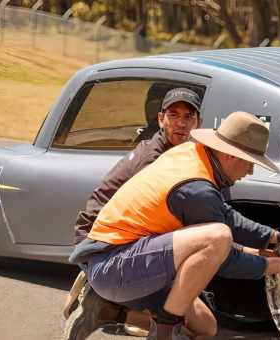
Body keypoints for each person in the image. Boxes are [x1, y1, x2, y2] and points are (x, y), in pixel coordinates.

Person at [70, 111, 280, 340]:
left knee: (206, 327)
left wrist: (275, 237)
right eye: (249, 162)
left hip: (126, 258)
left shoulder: (193, 153)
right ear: (231, 155)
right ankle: (164, 331)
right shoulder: (196, 188)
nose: (250, 171)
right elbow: (223, 258)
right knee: (217, 237)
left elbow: (225, 215)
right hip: (113, 266)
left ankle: (107, 308)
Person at [62, 87, 203, 338]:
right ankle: (107, 302)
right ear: (161, 119)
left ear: (198, 122)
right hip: (102, 248)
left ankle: (116, 304)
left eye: (188, 116)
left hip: (114, 241)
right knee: (191, 320)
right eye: (174, 115)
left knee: (202, 318)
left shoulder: (175, 153)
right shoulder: (154, 159)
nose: (181, 123)